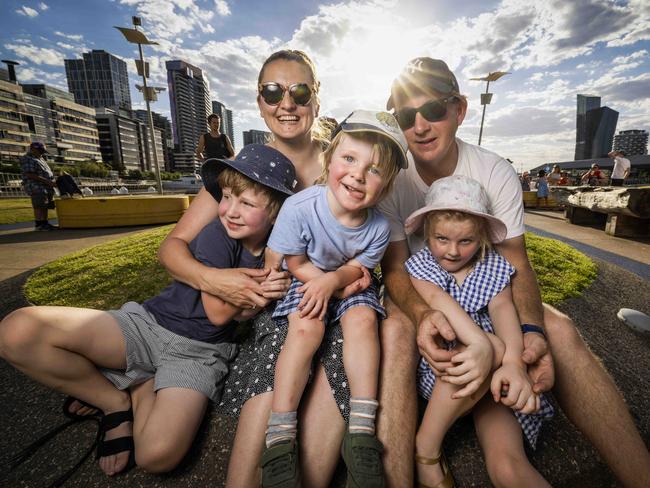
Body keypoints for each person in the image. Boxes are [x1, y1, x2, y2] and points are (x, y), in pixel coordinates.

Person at [376, 56, 650, 487]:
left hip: (482, 304)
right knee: (395, 330)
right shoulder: (393, 178)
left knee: (557, 328)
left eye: (433, 110)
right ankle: (406, 468)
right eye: (407, 115)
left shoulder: (493, 170)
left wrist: (530, 338)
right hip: (421, 294)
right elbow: (394, 269)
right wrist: (423, 314)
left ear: (459, 110)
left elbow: (513, 263)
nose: (421, 126)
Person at [0, 143, 295, 477]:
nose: (229, 210)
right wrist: (262, 293)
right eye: (226, 197)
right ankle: (113, 403)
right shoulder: (218, 234)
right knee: (17, 330)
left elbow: (240, 315)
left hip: (200, 353)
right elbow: (218, 313)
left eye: (246, 202)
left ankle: (140, 385)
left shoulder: (277, 251)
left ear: (275, 212)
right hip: (149, 324)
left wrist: (258, 296)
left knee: (157, 457)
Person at [157, 50, 356, 488]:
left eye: (299, 91)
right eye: (272, 91)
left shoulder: (342, 163)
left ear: (316, 101)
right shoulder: (245, 170)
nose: (286, 103)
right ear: (260, 100)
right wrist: (215, 279)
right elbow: (172, 248)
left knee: (341, 357)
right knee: (278, 349)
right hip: (276, 305)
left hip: (336, 295)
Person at [261, 110, 407, 487]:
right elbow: (293, 262)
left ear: (387, 185)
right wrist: (325, 285)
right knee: (305, 328)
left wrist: (336, 285)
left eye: (374, 170)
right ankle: (279, 437)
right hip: (305, 276)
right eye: (349, 159)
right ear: (330, 159)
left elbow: (360, 273)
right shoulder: (300, 207)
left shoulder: (379, 227)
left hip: (347, 282)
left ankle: (361, 431)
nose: (358, 174)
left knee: (363, 322)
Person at [405, 175, 553, 488]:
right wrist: (489, 348)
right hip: (448, 372)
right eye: (442, 239)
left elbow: (502, 310)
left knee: (508, 464)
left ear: (482, 237)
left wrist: (514, 363)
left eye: (466, 241)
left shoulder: (493, 265)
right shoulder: (421, 266)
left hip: (494, 379)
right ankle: (426, 447)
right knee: (492, 346)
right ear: (427, 233)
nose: (454, 252)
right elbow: (438, 300)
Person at [20, 141, 57, 231]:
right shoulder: (27, 158)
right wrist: (47, 181)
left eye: (43, 151)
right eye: (40, 150)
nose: (42, 153)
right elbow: (30, 174)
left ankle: (45, 223)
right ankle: (39, 225)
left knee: (45, 205)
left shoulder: (40, 158)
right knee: (39, 205)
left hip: (46, 186)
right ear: (33, 149)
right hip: (36, 186)